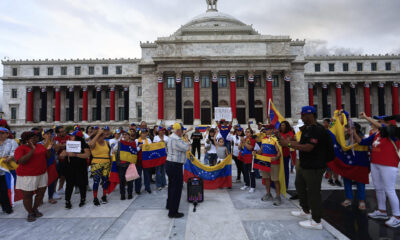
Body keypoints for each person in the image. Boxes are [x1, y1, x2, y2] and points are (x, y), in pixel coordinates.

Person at [279, 106, 334, 230]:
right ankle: (305, 210)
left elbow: (309, 147)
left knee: (314, 192)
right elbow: (300, 143)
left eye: (303, 115)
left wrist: (287, 144)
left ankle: (316, 220)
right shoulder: (307, 129)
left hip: (315, 166)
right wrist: (286, 143)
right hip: (305, 164)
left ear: (310, 115)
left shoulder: (317, 130)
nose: (301, 118)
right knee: (300, 185)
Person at [357, 112, 400, 227]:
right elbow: (363, 142)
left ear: (388, 123)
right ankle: (382, 211)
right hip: (375, 163)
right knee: (378, 188)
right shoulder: (377, 134)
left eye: (380, 121)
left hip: (389, 164)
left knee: (389, 189)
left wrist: (366, 118)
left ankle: (397, 216)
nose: (377, 123)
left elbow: (383, 127)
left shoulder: (394, 132)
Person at [14, 131, 51, 222]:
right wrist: (32, 150)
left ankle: (34, 209)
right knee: (27, 195)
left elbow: (48, 156)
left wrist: (49, 149)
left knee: (41, 193)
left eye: (36, 137)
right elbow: (21, 161)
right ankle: (30, 212)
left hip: (42, 173)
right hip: (27, 176)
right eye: (32, 138)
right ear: (26, 140)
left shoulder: (40, 146)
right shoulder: (21, 148)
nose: (35, 139)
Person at [59, 130, 91, 209]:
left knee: (82, 184)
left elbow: (87, 154)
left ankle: (82, 199)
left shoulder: (84, 145)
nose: (70, 137)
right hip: (70, 167)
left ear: (77, 137)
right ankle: (67, 201)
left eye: (72, 136)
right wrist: (63, 154)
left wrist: (76, 154)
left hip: (81, 167)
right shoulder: (69, 144)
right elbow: (61, 155)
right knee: (69, 185)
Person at [165, 123, 190, 218]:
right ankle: (173, 212)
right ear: (178, 131)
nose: (183, 132)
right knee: (176, 189)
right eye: (182, 130)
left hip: (170, 164)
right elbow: (187, 147)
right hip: (175, 166)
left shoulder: (171, 137)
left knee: (171, 186)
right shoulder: (176, 139)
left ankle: (169, 205)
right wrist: (187, 139)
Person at [341, 123, 367, 210]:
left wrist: (354, 134)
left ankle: (362, 201)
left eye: (347, 128)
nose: (346, 129)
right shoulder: (346, 137)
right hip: (348, 162)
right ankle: (348, 199)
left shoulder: (362, 137)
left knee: (360, 182)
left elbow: (363, 144)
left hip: (360, 163)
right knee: (347, 180)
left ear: (354, 129)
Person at [259, 124, 282, 206]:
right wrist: (255, 152)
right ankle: (268, 194)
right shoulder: (263, 139)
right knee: (266, 179)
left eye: (268, 129)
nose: (266, 130)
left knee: (275, 179)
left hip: (274, 162)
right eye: (266, 129)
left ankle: (278, 196)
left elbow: (279, 151)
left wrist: (276, 158)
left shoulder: (275, 139)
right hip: (264, 161)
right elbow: (261, 150)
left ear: (272, 130)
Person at [89, 128, 111, 206]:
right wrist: (97, 134)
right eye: (100, 136)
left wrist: (110, 164)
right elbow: (90, 145)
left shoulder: (107, 143)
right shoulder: (94, 143)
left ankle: (104, 196)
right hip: (96, 164)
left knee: (105, 181)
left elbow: (109, 154)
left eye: (103, 135)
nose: (102, 137)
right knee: (96, 181)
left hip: (106, 163)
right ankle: (95, 198)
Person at [112, 131, 137, 200]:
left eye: (126, 134)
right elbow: (113, 150)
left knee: (130, 180)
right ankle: (122, 195)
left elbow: (135, 152)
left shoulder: (132, 143)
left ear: (129, 136)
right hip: (121, 165)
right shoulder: (119, 143)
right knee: (122, 181)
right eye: (123, 135)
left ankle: (130, 194)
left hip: (130, 165)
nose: (124, 136)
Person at [39, 129, 60, 204]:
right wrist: (47, 143)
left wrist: (53, 143)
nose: (49, 135)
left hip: (52, 164)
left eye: (50, 133)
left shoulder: (55, 142)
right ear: (43, 135)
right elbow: (41, 151)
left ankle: (50, 197)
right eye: (47, 134)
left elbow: (57, 150)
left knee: (51, 181)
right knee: (42, 183)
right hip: (42, 164)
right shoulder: (39, 143)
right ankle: (40, 198)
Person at [0, 127, 18, 214]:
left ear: (7, 134)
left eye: (2, 133)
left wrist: (9, 157)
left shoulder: (11, 142)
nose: (0, 135)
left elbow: (14, 153)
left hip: (7, 169)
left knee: (5, 189)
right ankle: (4, 206)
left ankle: (7, 207)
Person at [135, 129, 152, 194]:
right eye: (143, 133)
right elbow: (134, 150)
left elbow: (151, 149)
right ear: (140, 134)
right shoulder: (136, 141)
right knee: (138, 175)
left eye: (145, 133)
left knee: (147, 175)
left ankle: (147, 188)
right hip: (139, 161)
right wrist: (139, 147)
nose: (144, 134)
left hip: (146, 160)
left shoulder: (149, 140)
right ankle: (137, 189)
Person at [279, 121, 295, 190]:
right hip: (278, 154)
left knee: (285, 170)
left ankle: (285, 185)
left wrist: (283, 140)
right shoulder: (278, 133)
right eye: (281, 125)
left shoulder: (290, 133)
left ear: (286, 126)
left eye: (283, 125)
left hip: (285, 154)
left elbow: (289, 144)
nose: (282, 126)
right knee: (279, 170)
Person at [239, 128, 256, 193]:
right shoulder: (244, 139)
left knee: (251, 173)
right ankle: (247, 184)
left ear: (251, 134)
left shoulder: (252, 140)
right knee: (245, 172)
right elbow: (239, 148)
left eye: (248, 132)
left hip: (251, 158)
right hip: (244, 158)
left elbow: (250, 148)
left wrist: (244, 142)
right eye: (246, 132)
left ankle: (253, 186)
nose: (246, 133)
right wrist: (241, 142)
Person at [54, 126, 69, 197]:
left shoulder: (68, 137)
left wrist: (62, 145)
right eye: (61, 131)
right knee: (56, 176)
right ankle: (53, 191)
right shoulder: (55, 139)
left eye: (64, 131)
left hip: (67, 159)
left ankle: (60, 188)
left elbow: (72, 145)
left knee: (64, 175)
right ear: (57, 133)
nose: (64, 132)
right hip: (58, 160)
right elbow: (56, 148)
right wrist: (64, 145)